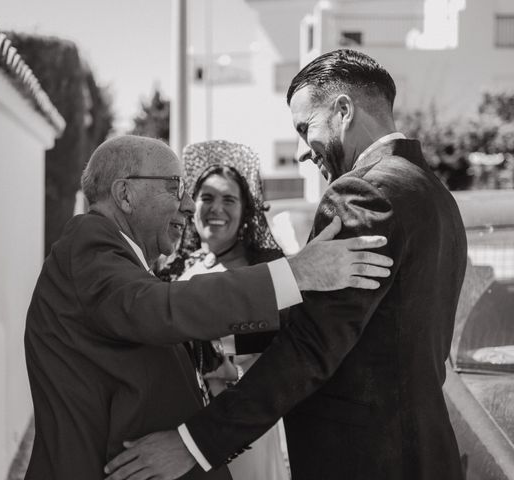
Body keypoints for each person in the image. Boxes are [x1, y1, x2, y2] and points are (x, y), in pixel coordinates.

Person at [104, 49, 468, 480]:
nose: (301, 152)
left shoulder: (361, 194)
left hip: (366, 461)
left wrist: (193, 444)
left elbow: (312, 344)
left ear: (343, 111)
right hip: (426, 453)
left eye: (304, 127)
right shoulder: (436, 195)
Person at [23, 134, 393, 480]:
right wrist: (294, 274)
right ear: (125, 194)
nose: (188, 203)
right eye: (175, 187)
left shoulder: (120, 257)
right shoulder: (89, 246)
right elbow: (156, 310)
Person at [164, 139, 291, 480]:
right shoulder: (175, 270)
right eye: (207, 198)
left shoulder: (262, 275)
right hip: (181, 429)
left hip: (240, 423)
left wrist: (223, 355)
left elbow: (281, 352)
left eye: (229, 199)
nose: (216, 209)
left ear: (245, 210)